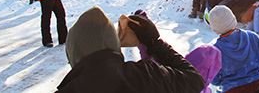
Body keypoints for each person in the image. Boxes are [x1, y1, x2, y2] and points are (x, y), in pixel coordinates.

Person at [57, 7, 204, 92]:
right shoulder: (144, 75)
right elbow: (194, 80)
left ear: (72, 52)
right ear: (113, 43)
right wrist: (155, 43)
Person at [207, 5, 259, 93]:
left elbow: (214, 78)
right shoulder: (251, 36)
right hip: (257, 84)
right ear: (233, 18)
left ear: (214, 28)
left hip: (231, 89)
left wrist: (223, 83)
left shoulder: (215, 50)